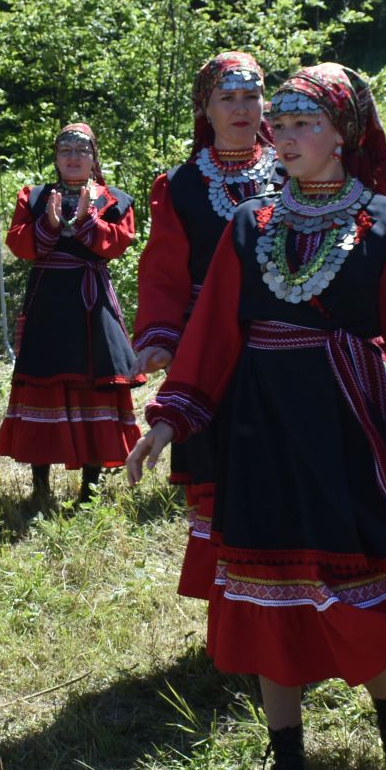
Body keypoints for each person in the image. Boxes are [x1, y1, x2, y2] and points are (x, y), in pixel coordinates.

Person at [127, 63, 386, 770]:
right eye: (279, 122)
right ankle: (286, 760)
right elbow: (216, 328)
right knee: (268, 587)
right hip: (260, 423)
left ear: (346, 134)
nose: (283, 134)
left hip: (346, 421)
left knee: (357, 580)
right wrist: (170, 417)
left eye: (304, 121)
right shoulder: (253, 224)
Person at [132, 51, 284, 598]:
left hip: (285, 341)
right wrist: (160, 338)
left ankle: (295, 599)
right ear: (205, 106)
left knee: (285, 468)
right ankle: (237, 601)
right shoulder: (180, 185)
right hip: (212, 350)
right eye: (228, 97)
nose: (242, 108)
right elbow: (166, 271)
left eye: (251, 96)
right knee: (227, 476)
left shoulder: (298, 167)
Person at [0, 124, 143, 503]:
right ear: (56, 157)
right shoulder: (34, 197)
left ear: (94, 157)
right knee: (42, 383)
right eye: (65, 151)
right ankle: (40, 487)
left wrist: (87, 222)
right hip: (48, 304)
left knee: (96, 384)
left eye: (81, 151)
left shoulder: (114, 199)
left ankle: (90, 489)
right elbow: (20, 245)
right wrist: (48, 223)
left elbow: (116, 245)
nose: (73, 158)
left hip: (92, 306)